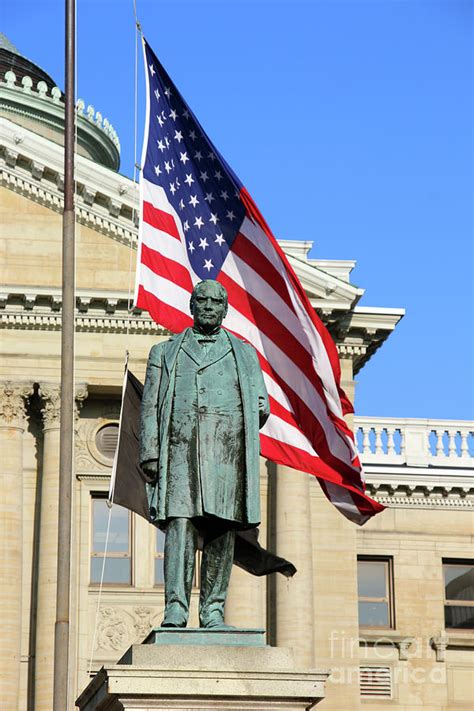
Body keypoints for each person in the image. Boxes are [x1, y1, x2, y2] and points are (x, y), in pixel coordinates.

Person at [139, 279, 270, 628]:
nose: (209, 306)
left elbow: (261, 404)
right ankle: (176, 607)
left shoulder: (244, 354)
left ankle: (213, 609)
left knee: (221, 529)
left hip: (226, 452)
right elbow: (150, 406)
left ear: (225, 310)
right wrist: (150, 453)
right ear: (192, 306)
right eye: (202, 300)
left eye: (216, 302)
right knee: (180, 526)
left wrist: (256, 407)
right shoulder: (165, 353)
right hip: (180, 449)